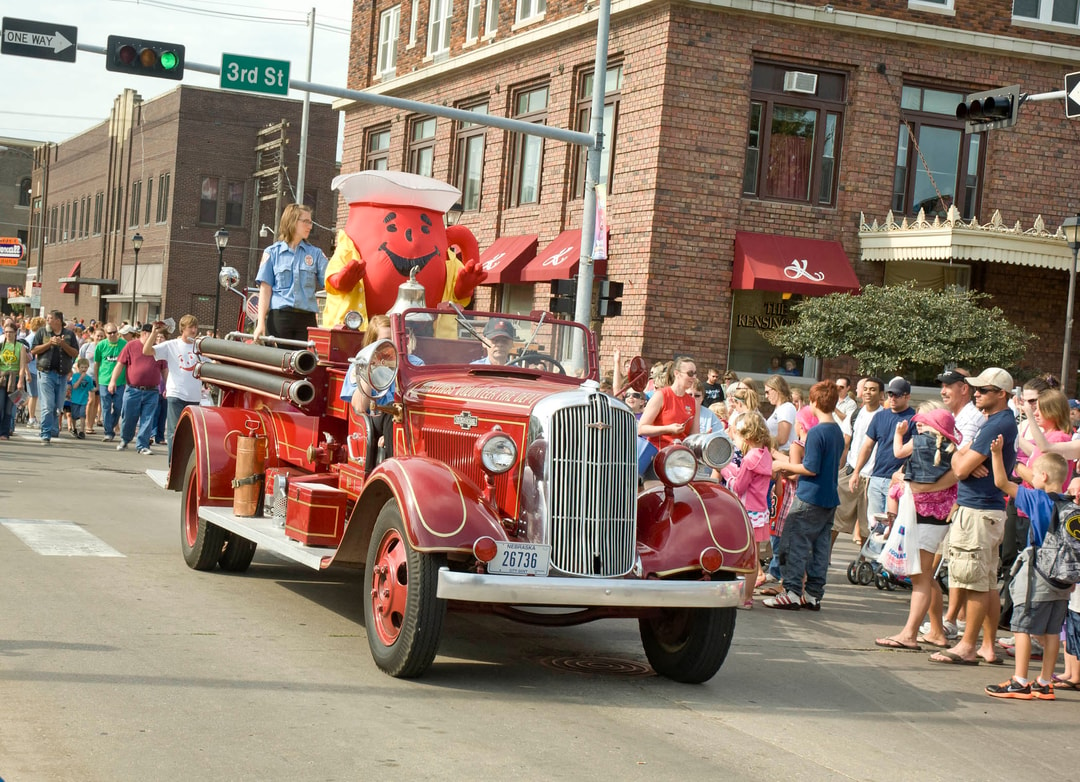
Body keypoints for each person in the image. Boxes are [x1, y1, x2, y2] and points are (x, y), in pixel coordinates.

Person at [928, 368, 1017, 666]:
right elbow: (962, 458)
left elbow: (962, 469)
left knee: (973, 581)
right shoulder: (996, 421)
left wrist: (962, 457)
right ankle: (987, 647)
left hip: (978, 510)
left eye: (983, 390)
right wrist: (962, 456)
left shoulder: (996, 424)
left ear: (1001, 394)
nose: (976, 393)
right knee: (988, 581)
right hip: (986, 509)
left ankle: (967, 646)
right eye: (975, 389)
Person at [984, 439, 1070, 699]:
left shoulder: (1036, 498)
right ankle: (1045, 682)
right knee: (1052, 631)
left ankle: (1020, 680)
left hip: (1039, 575)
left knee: (1022, 626)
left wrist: (997, 454)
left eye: (1034, 474)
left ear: (1042, 476)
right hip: (1063, 579)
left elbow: (1001, 483)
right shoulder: (1069, 504)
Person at [874, 404, 960, 651]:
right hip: (935, 518)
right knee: (926, 578)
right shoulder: (952, 450)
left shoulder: (924, 445)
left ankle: (909, 634)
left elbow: (912, 476)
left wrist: (902, 480)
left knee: (920, 578)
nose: (918, 426)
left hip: (923, 518)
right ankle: (935, 631)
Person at [763, 380, 845, 610]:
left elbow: (810, 468)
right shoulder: (837, 430)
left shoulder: (818, 431)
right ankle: (813, 594)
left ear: (814, 401)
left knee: (793, 543)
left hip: (810, 497)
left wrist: (781, 467)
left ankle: (790, 591)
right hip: (829, 498)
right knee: (819, 548)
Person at [253, 203, 329, 342]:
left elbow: (330, 283)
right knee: (279, 361)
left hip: (307, 319)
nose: (310, 226)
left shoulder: (316, 254)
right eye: (306, 221)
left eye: (311, 222)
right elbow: (265, 289)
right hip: (279, 319)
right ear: (292, 221)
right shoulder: (272, 253)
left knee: (304, 362)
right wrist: (260, 322)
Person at [722, 411, 773, 609]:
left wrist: (726, 469)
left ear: (748, 436)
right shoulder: (765, 454)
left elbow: (738, 486)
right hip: (759, 511)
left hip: (746, 512)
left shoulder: (750, 458)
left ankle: (740, 597)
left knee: (740, 556)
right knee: (753, 558)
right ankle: (747, 598)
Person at [850, 376, 915, 519]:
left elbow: (915, 453)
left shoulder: (914, 419)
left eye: (897, 395)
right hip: (877, 477)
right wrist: (856, 472)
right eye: (890, 394)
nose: (892, 398)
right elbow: (867, 446)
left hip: (899, 480)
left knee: (891, 526)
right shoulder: (880, 417)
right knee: (874, 526)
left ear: (907, 396)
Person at [832, 376, 884, 548]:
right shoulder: (856, 414)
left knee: (867, 526)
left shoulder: (884, 416)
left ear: (881, 394)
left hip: (872, 476)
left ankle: (863, 564)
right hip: (851, 471)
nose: (868, 392)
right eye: (866, 389)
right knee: (835, 517)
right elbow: (846, 443)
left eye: (873, 389)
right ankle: (825, 558)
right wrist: (840, 469)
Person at [146, 315, 203, 463]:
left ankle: (184, 465)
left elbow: (213, 363)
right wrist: (154, 333)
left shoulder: (199, 346)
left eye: (196, 327)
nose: (194, 330)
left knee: (190, 434)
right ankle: (173, 465)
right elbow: (147, 351)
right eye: (191, 327)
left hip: (194, 395)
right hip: (176, 393)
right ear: (183, 328)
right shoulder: (172, 344)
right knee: (174, 432)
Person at [112, 323, 166, 455]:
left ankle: (142, 445)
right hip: (133, 390)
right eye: (153, 334)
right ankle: (125, 439)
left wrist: (167, 386)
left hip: (152, 391)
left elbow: (164, 369)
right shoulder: (131, 346)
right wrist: (113, 381)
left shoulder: (158, 349)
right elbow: (120, 364)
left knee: (148, 418)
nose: (156, 338)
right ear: (144, 333)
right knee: (129, 417)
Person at [29, 310, 80, 445]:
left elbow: (75, 353)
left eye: (50, 318)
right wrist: (49, 344)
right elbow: (33, 350)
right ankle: (45, 434)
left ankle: (52, 430)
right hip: (46, 373)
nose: (47, 320)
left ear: (58, 320)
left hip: (62, 375)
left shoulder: (69, 334)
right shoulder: (42, 332)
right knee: (47, 405)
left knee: (57, 406)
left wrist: (63, 344)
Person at [638, 356, 700, 452]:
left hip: (680, 456)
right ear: (677, 373)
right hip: (658, 454)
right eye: (690, 374)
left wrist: (704, 437)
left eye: (695, 374)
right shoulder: (661, 395)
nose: (694, 377)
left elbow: (694, 436)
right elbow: (641, 429)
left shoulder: (694, 402)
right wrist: (668, 429)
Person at [95, 322, 126, 442]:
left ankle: (111, 425)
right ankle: (108, 432)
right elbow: (97, 364)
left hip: (120, 381)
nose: (112, 335)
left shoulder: (124, 344)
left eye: (115, 332)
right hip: (104, 381)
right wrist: (97, 382)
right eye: (110, 333)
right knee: (106, 407)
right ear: (105, 333)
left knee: (118, 407)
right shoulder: (101, 345)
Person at [0, 322, 30, 439]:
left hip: (14, 378)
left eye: (11, 332)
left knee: (9, 407)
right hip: (2, 378)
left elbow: (22, 365)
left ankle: (4, 432)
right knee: (0, 405)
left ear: (15, 333)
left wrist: (20, 381)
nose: (8, 334)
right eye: (6, 332)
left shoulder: (20, 347)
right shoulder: (1, 346)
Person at [764, 375, 797, 452]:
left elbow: (782, 439)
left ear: (776, 389)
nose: (766, 396)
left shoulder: (787, 408)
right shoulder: (779, 409)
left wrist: (761, 442)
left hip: (783, 454)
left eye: (767, 392)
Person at [67, 357, 95, 440]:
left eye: (86, 367)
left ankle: (82, 431)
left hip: (83, 400)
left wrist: (98, 388)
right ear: (78, 367)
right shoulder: (75, 376)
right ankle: (74, 428)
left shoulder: (89, 378)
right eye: (82, 367)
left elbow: (91, 388)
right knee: (74, 416)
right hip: (75, 400)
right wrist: (81, 378)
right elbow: (74, 386)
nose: (84, 369)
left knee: (83, 415)